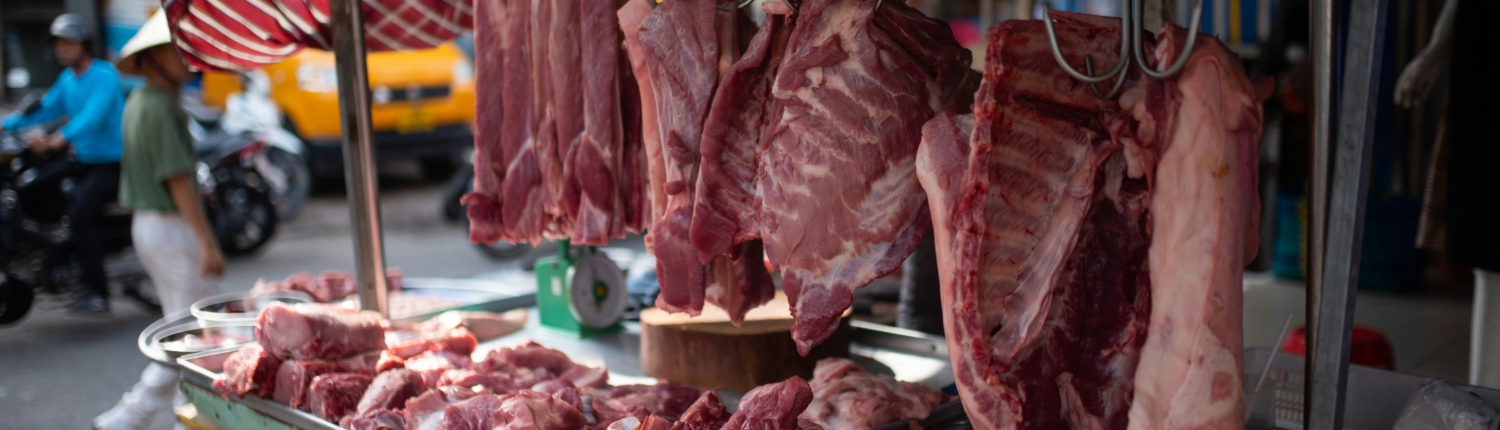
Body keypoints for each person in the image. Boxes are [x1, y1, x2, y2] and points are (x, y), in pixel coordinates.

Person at [92, 11, 224, 430]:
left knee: (180, 327)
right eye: (177, 51)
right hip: (169, 226)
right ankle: (133, 413)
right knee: (190, 334)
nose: (188, 60)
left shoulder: (139, 102)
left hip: (148, 225)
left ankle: (180, 416)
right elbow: (178, 180)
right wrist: (207, 241)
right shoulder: (162, 107)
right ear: (151, 58)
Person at [0, 13, 125, 313]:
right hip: (80, 160)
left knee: (80, 214)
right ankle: (49, 251)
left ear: (85, 45)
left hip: (111, 163)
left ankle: (98, 292)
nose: (61, 49)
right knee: (27, 190)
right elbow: (43, 109)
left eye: (68, 43)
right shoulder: (68, 79)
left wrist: (60, 137)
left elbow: (93, 117)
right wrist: (6, 125)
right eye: (58, 44)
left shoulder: (104, 75)